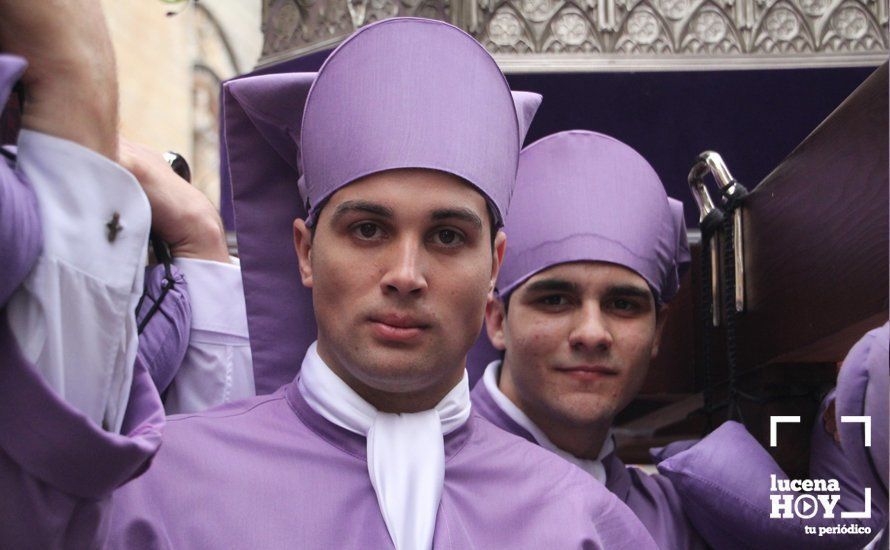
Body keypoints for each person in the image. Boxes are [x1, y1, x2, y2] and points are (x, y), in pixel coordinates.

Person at [0, 5, 657, 548]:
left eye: (447, 237)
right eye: (368, 229)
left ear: (496, 266)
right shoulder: (150, 492)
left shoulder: (584, 523)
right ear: (306, 252)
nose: (405, 274)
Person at [468, 130, 705, 548]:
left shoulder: (678, 518)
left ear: (658, 332)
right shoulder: (424, 485)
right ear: (497, 320)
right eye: (556, 300)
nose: (593, 333)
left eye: (623, 305)